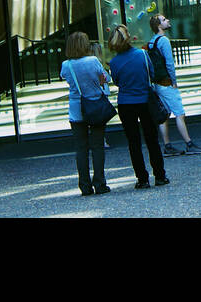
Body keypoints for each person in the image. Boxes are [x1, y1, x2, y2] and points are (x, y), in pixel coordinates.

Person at [108, 24, 169, 189]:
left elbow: (117, 82)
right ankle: (160, 175)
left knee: (133, 142)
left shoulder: (114, 63)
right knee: (152, 139)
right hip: (145, 101)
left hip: (126, 103)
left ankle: (142, 178)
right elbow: (152, 74)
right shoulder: (142, 54)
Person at [146, 12, 201, 157]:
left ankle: (167, 146)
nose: (167, 20)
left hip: (157, 83)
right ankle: (189, 144)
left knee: (165, 115)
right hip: (167, 83)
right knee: (180, 113)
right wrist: (174, 81)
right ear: (158, 25)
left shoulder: (151, 42)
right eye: (164, 20)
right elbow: (169, 63)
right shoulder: (164, 41)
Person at [60, 30, 112, 195]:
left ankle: (85, 186)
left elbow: (64, 78)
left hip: (76, 109)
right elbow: (106, 78)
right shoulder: (92, 60)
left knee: (81, 149)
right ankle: (100, 183)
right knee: (97, 146)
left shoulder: (66, 65)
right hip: (95, 106)